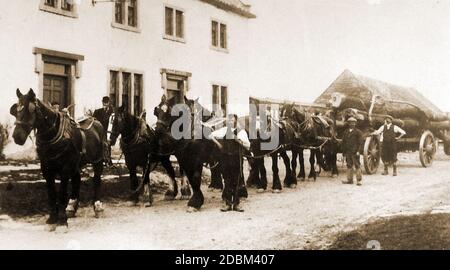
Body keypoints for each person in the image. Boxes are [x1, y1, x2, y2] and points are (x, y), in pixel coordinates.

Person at [209, 114, 251, 212]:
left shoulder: (241, 132)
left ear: (236, 121)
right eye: (229, 120)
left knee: (235, 181)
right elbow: (211, 135)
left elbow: (248, 146)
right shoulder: (224, 130)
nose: (230, 121)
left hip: (236, 159)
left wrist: (238, 140)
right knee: (227, 181)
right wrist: (219, 145)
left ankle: (236, 204)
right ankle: (228, 204)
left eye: (232, 120)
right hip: (225, 159)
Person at [341, 117, 363, 186]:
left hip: (355, 152)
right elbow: (343, 142)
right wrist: (343, 152)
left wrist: (358, 151)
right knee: (349, 165)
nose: (351, 124)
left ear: (355, 124)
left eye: (353, 123)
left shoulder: (358, 132)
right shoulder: (346, 132)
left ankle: (359, 180)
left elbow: (360, 143)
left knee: (357, 165)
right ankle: (349, 180)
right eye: (350, 123)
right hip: (348, 152)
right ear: (348, 124)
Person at [93, 96, 114, 166]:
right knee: (100, 145)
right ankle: (101, 159)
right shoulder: (98, 111)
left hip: (108, 132)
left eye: (106, 103)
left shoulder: (112, 111)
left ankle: (108, 159)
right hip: (100, 132)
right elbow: (94, 120)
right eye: (104, 103)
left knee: (108, 146)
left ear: (109, 103)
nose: (105, 104)